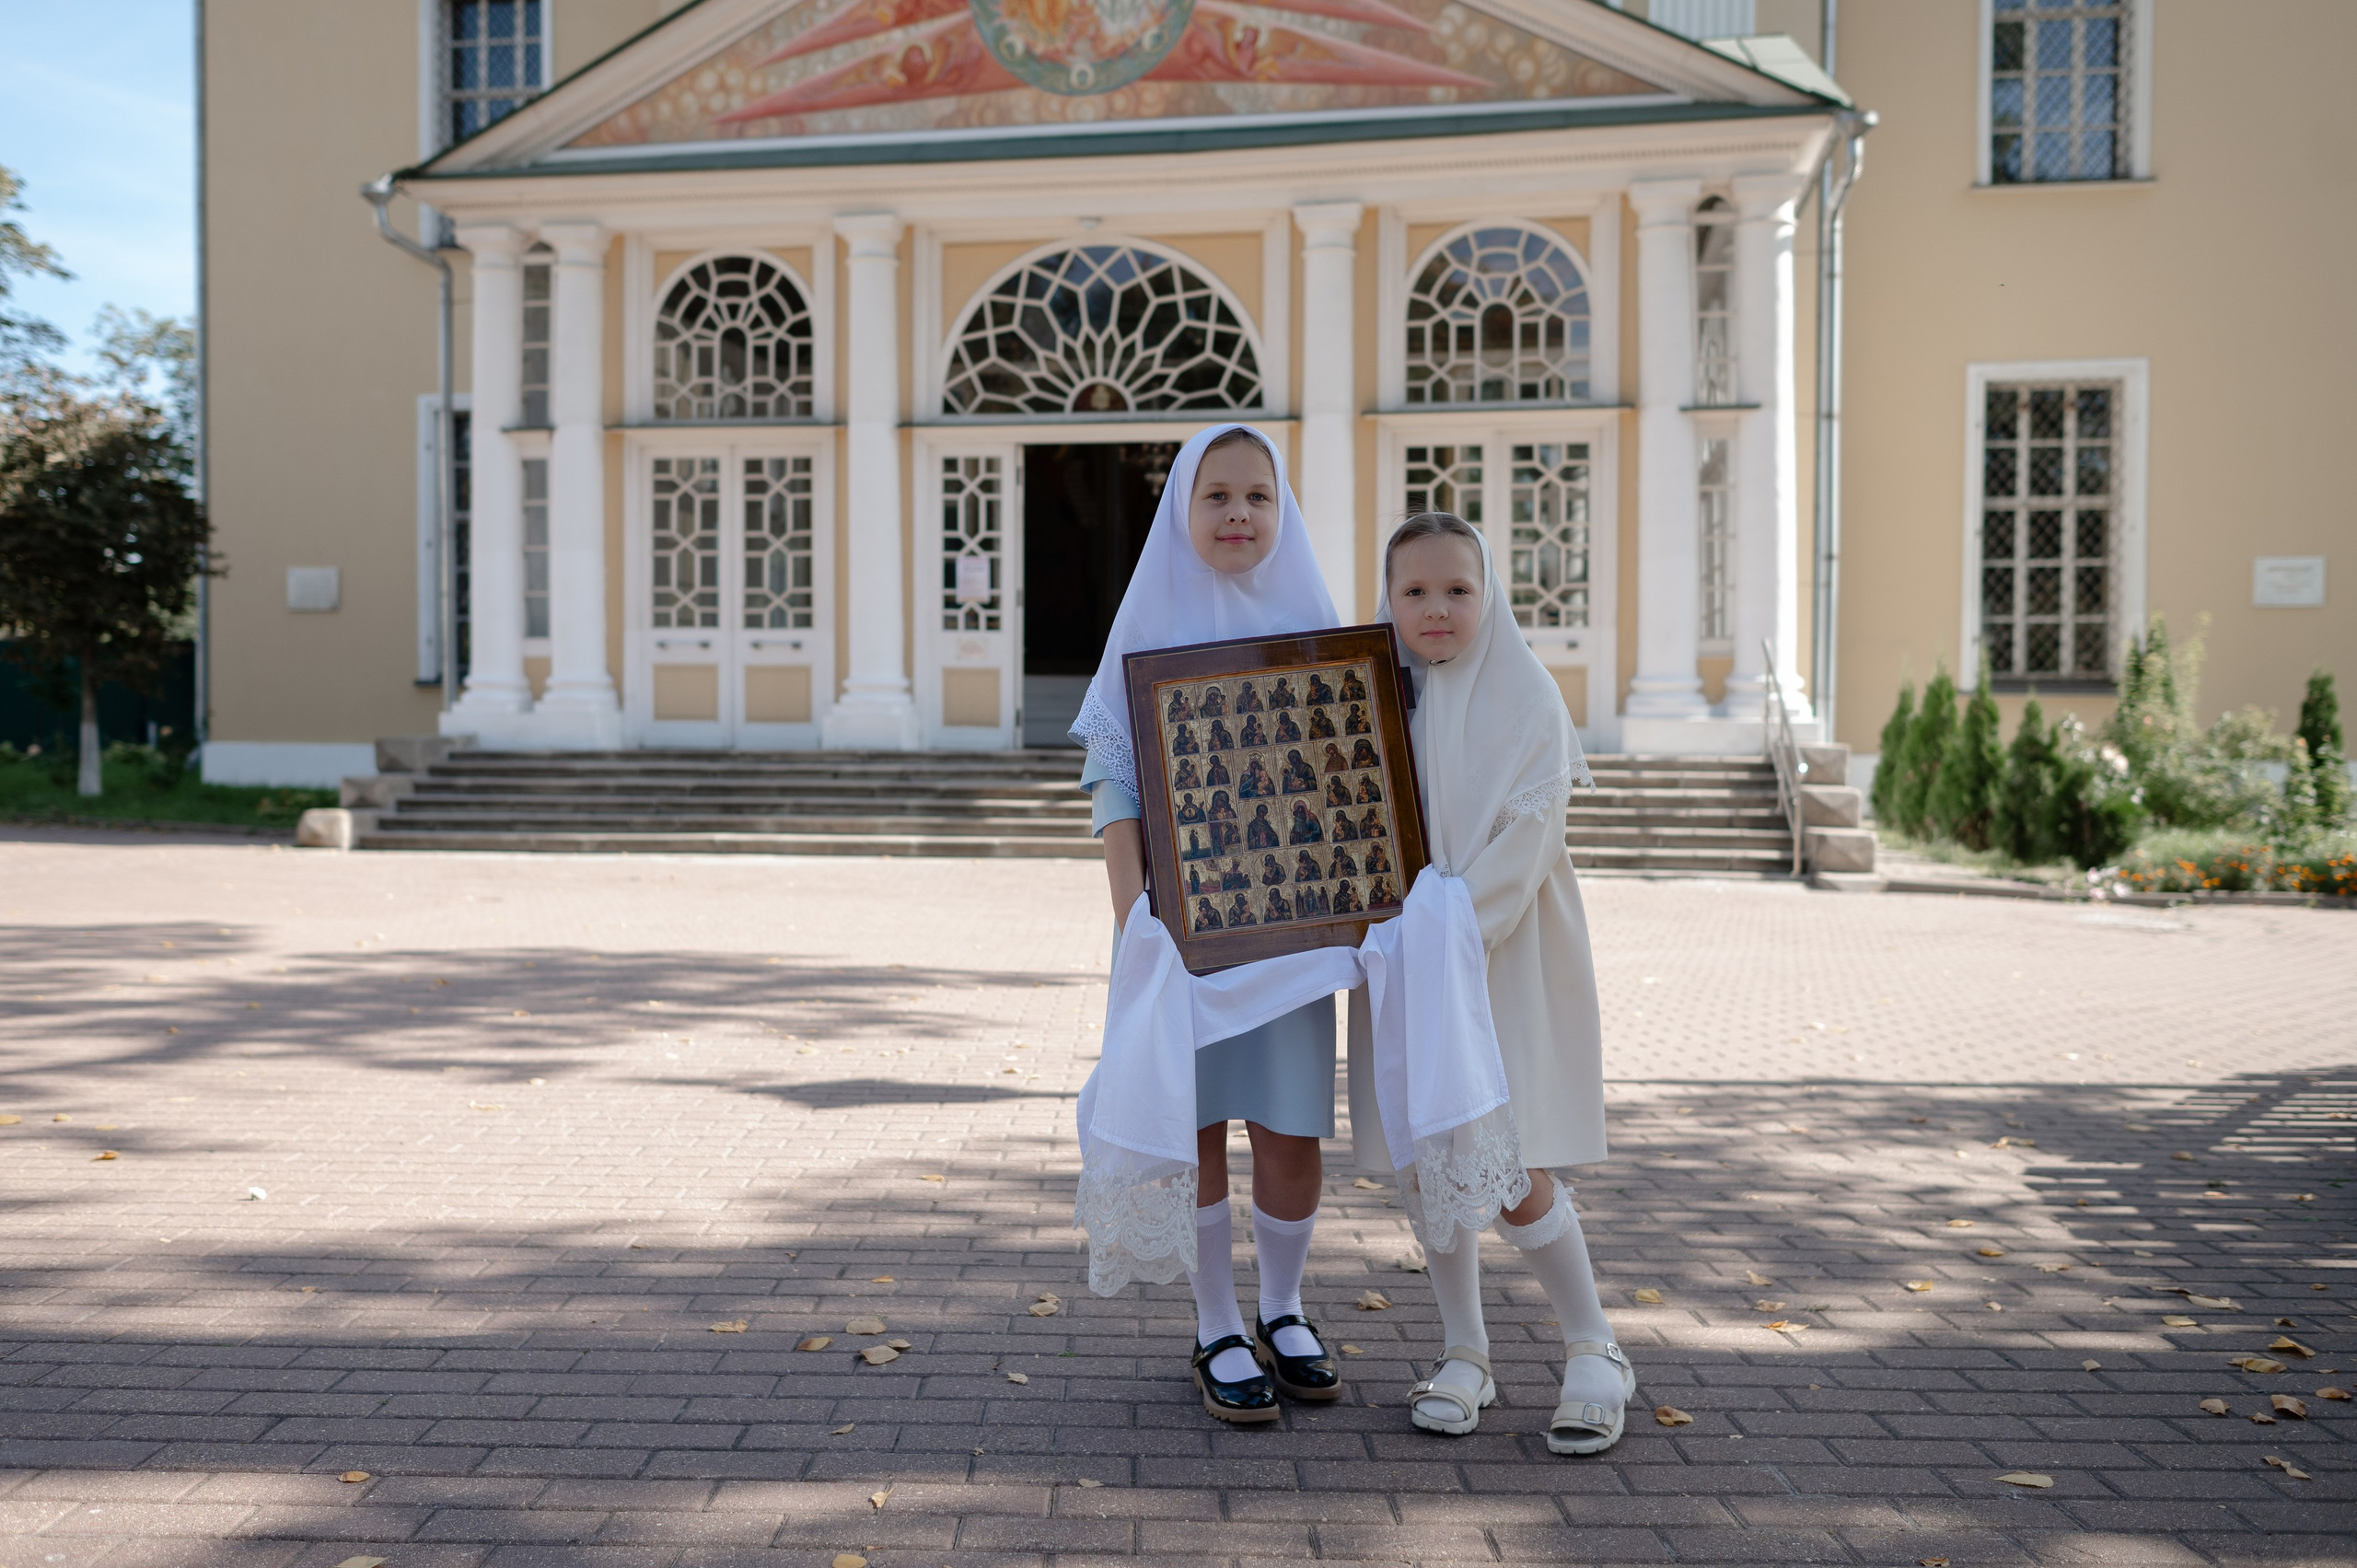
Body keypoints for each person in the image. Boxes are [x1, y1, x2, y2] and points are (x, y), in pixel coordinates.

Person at [1070, 423, 1345, 1426]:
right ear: (1182, 508)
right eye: (1216, 495)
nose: (1238, 513)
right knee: (1196, 1131)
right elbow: (1114, 784)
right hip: (1180, 940)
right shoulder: (1149, 623)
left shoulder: (1318, 626)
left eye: (1258, 496)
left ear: (1283, 509)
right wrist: (1138, 924)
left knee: (1290, 1124)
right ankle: (1217, 1321)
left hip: (1291, 935)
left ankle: (1284, 1306)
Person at [1354, 511, 1621, 1457]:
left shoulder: (1528, 695)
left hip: (1497, 954)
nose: (1436, 608)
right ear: (1389, 600)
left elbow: (1531, 836)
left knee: (1509, 1159)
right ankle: (1464, 1349)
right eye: (1414, 591)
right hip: (1405, 957)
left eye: (1457, 589)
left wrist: (1453, 922)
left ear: (1489, 594)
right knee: (1432, 1153)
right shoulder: (1378, 699)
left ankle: (1593, 1343)